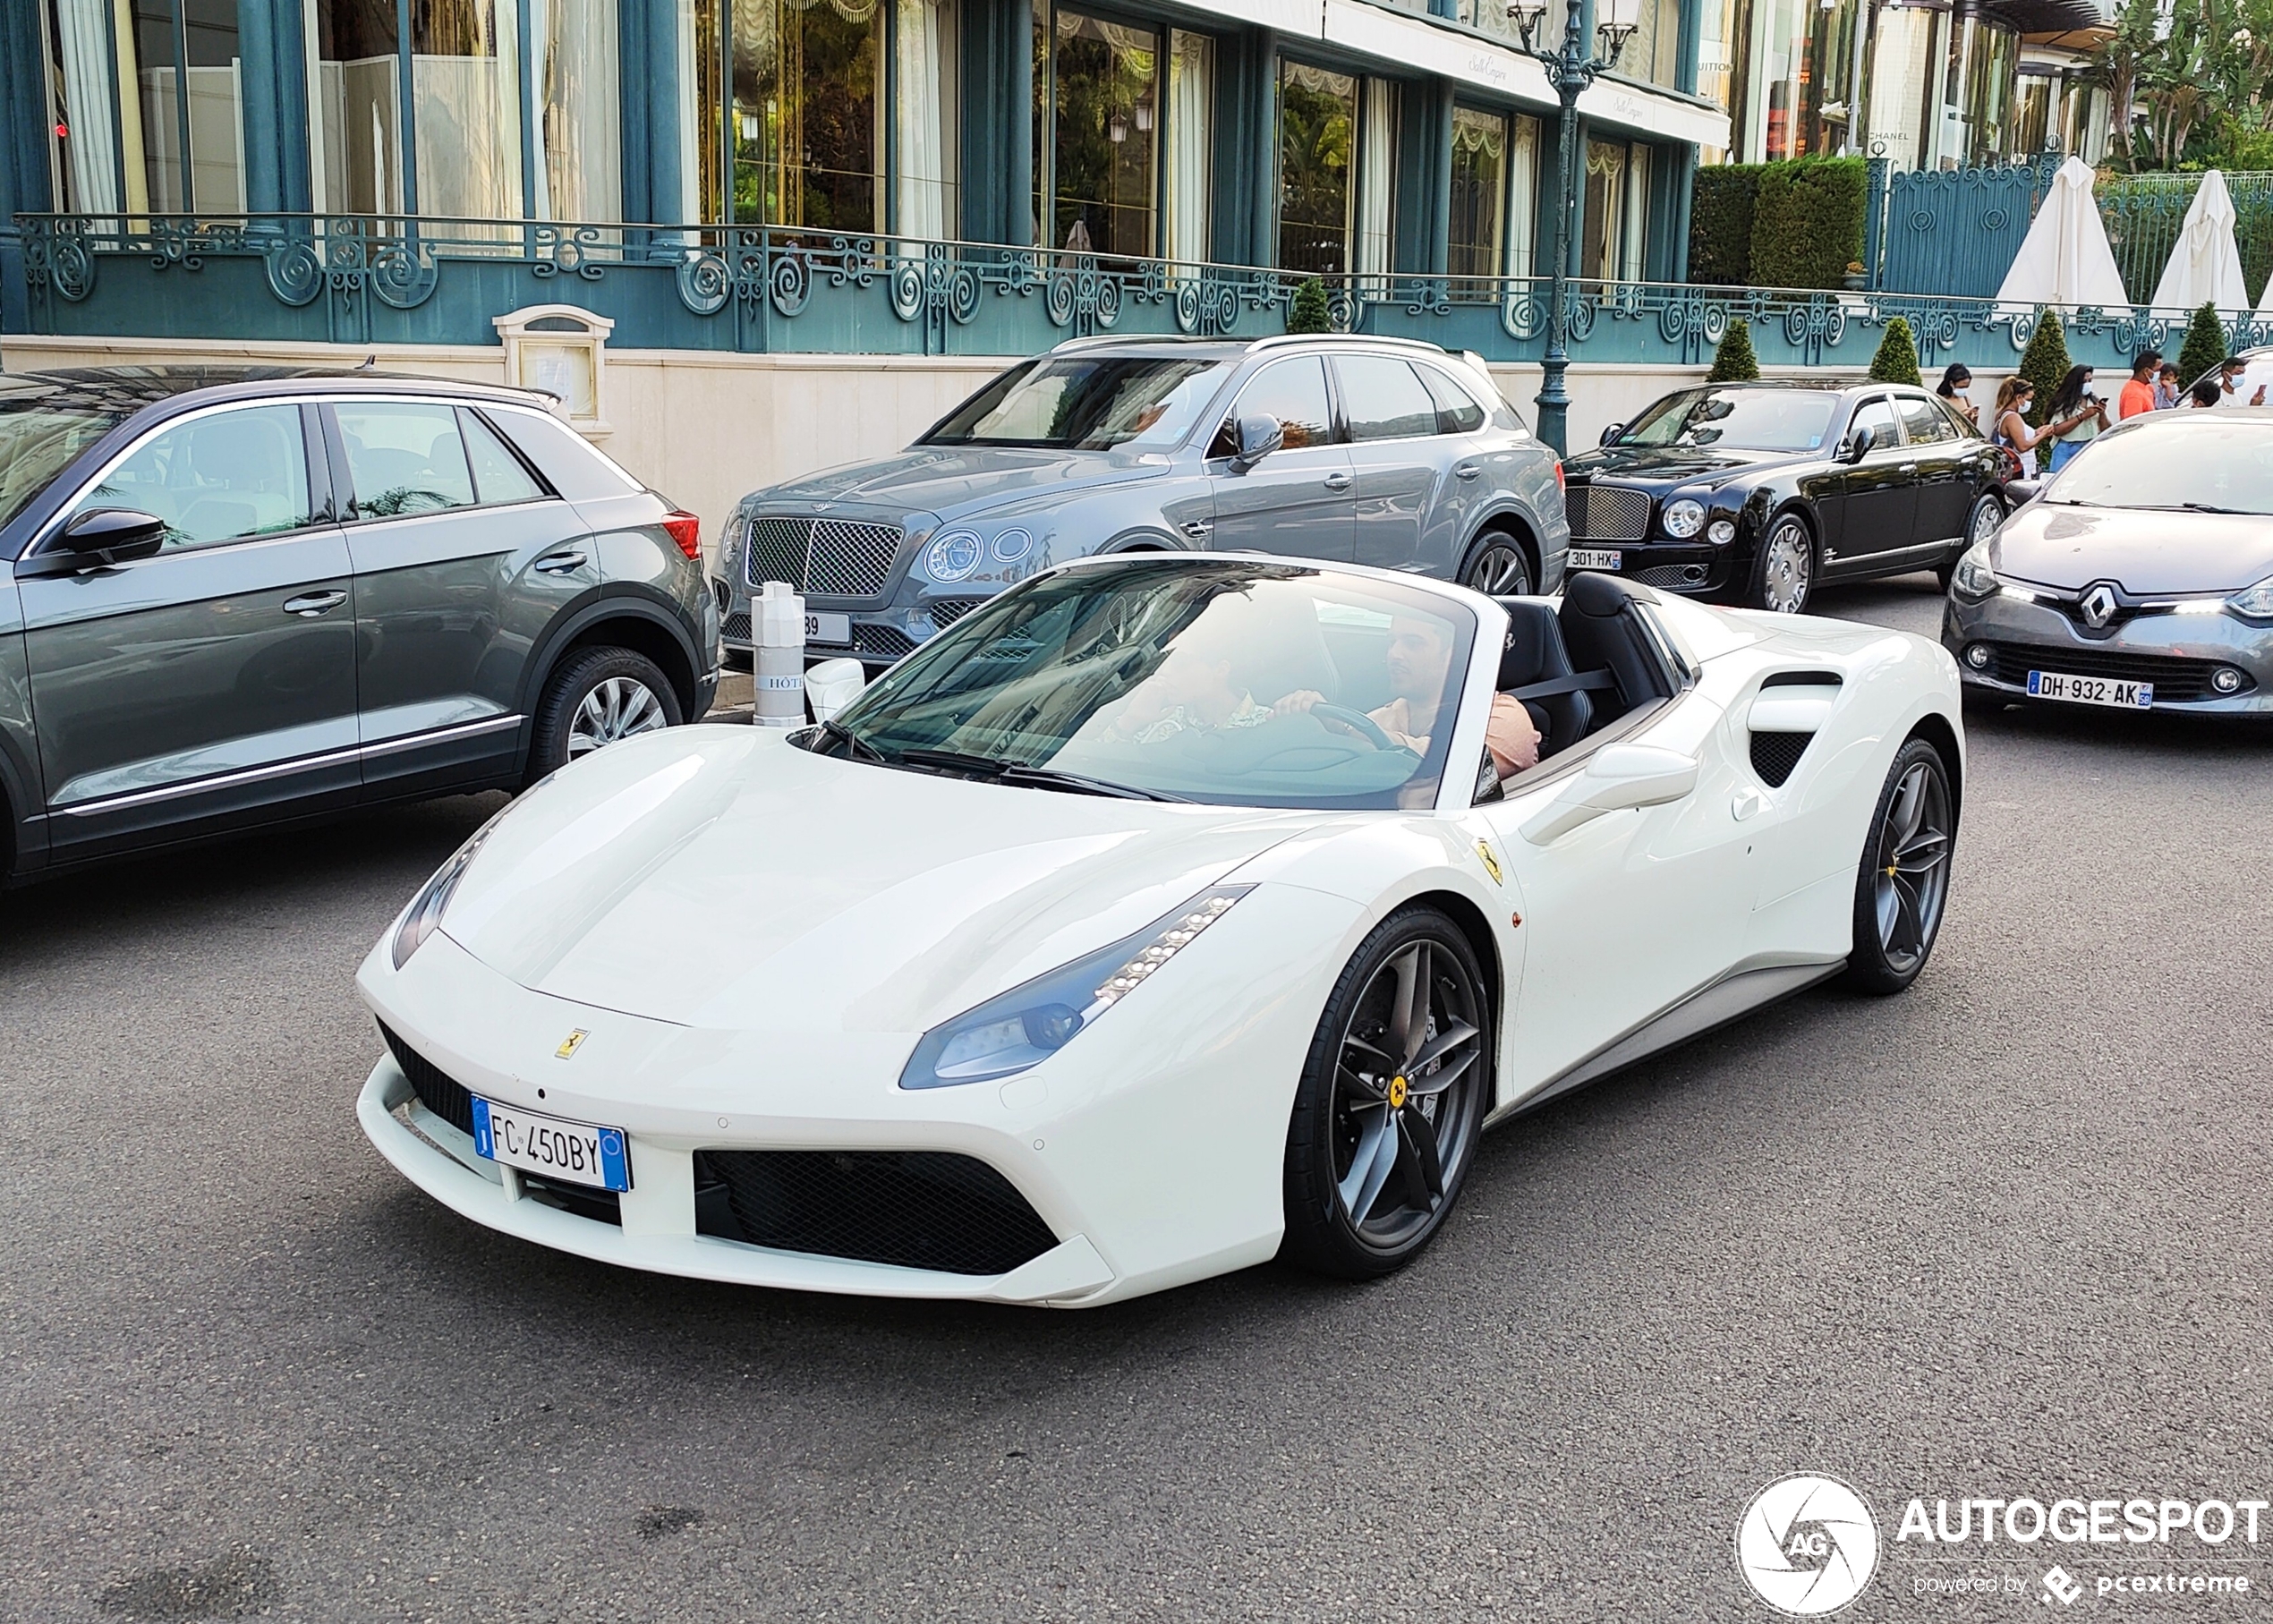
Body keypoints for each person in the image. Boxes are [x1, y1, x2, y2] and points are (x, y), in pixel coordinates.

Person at [1277, 615, 1539, 782]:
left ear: (1454, 655)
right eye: (1392, 642)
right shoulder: (1385, 716)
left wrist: (1347, 730)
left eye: (1413, 643)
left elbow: (1452, 764)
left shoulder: (1503, 717)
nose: (1394, 654)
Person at [1988, 377, 2090, 459]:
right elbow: (2022, 446)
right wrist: (2042, 436)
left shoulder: (2003, 414)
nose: (2030, 403)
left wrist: (2036, 432)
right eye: (2028, 399)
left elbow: (2018, 436)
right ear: (2019, 397)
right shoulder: (2012, 417)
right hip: (2019, 470)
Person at [2045, 366, 2108, 472]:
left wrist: (2102, 413)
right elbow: (2057, 430)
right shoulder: (2064, 403)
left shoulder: (2093, 400)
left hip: (2088, 447)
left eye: (2090, 380)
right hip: (2067, 448)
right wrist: (2082, 416)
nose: (2088, 384)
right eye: (2085, 381)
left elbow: (2106, 429)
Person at [2117, 351, 2161, 420]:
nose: (2160, 374)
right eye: (2157, 370)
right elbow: (2132, 424)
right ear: (2146, 371)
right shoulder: (2133, 394)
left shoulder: (2148, 387)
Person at [1936, 364, 1978, 428]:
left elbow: (1972, 426)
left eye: (1966, 387)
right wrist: (1961, 417)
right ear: (1951, 383)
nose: (1964, 390)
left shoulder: (1966, 400)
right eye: (1961, 387)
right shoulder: (1942, 401)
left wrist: (1974, 417)